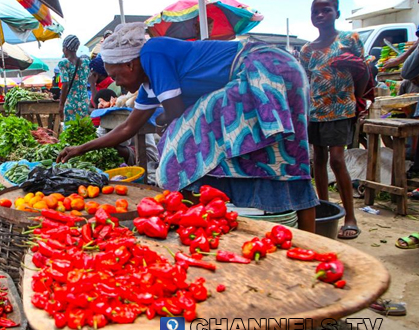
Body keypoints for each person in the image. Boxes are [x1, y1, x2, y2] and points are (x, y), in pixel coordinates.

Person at [57, 23, 318, 232]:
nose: (118, 84)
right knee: (256, 155)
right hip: (247, 77)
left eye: (116, 76)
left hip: (265, 67)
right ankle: (202, 220)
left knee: (291, 155)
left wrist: (163, 122)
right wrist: (81, 148)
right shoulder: (148, 84)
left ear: (130, 64)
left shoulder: (152, 52)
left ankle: (313, 242)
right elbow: (127, 129)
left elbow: (175, 113)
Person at [300, 0, 369, 239]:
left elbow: (364, 72)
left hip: (341, 109)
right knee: (318, 159)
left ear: (336, 13)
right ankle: (324, 210)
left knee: (337, 160)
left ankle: (350, 216)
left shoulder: (350, 39)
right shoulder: (307, 50)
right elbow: (306, 82)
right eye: (315, 11)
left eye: (326, 10)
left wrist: (358, 99)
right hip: (315, 111)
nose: (320, 14)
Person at [58, 35, 91, 122]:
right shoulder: (86, 62)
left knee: (70, 131)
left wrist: (61, 105)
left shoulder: (64, 63)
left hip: (71, 103)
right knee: (83, 129)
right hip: (85, 102)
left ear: (65, 48)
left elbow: (65, 84)